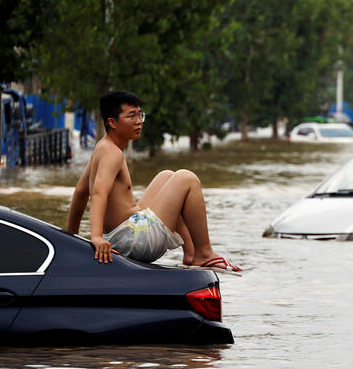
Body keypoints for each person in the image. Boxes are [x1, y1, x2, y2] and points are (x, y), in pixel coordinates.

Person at [65, 90, 240, 273]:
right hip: (133, 241)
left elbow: (80, 193)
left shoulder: (102, 147)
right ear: (112, 122)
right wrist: (96, 237)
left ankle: (190, 253)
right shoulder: (112, 153)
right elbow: (99, 192)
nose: (139, 121)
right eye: (131, 116)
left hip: (126, 234)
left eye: (140, 114)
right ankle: (204, 253)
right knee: (187, 179)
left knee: (166, 177)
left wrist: (69, 240)